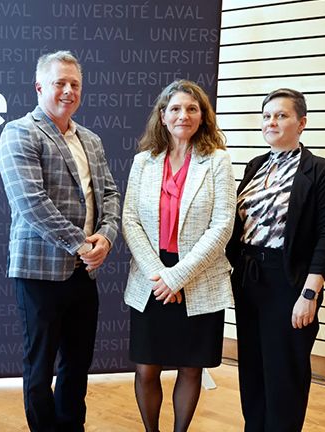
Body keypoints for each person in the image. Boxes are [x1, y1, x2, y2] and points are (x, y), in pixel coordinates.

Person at [0, 51, 121, 431]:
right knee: (40, 366)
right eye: (59, 83)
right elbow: (31, 203)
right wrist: (82, 245)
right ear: (39, 87)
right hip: (39, 272)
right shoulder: (20, 132)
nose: (68, 91)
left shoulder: (92, 140)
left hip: (85, 274)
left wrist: (106, 238)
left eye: (75, 84)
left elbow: (111, 195)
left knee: (77, 365)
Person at [226, 88, 325, 432]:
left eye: (281, 115)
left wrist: (310, 294)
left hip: (289, 282)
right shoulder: (255, 166)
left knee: (285, 372)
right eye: (266, 116)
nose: (272, 122)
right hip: (249, 278)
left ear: (302, 123)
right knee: (252, 366)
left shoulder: (319, 172)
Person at [122, 80, 236, 432]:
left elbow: (222, 226)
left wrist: (177, 277)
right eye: (175, 108)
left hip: (198, 278)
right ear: (162, 116)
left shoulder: (217, 161)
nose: (182, 115)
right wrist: (161, 276)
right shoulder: (144, 162)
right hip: (150, 278)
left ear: (202, 117)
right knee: (146, 367)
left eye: (191, 108)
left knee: (191, 367)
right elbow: (130, 219)